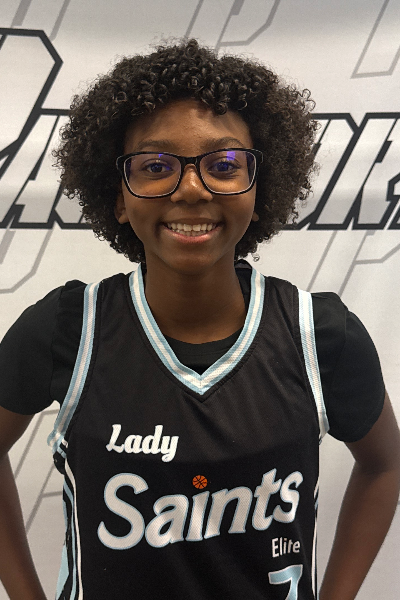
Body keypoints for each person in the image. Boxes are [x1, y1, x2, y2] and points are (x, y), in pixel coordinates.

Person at [0, 38, 399, 600]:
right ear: (119, 197)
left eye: (224, 165)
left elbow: (384, 467)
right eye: (155, 166)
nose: (191, 189)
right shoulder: (67, 330)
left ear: (258, 191)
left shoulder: (320, 336)